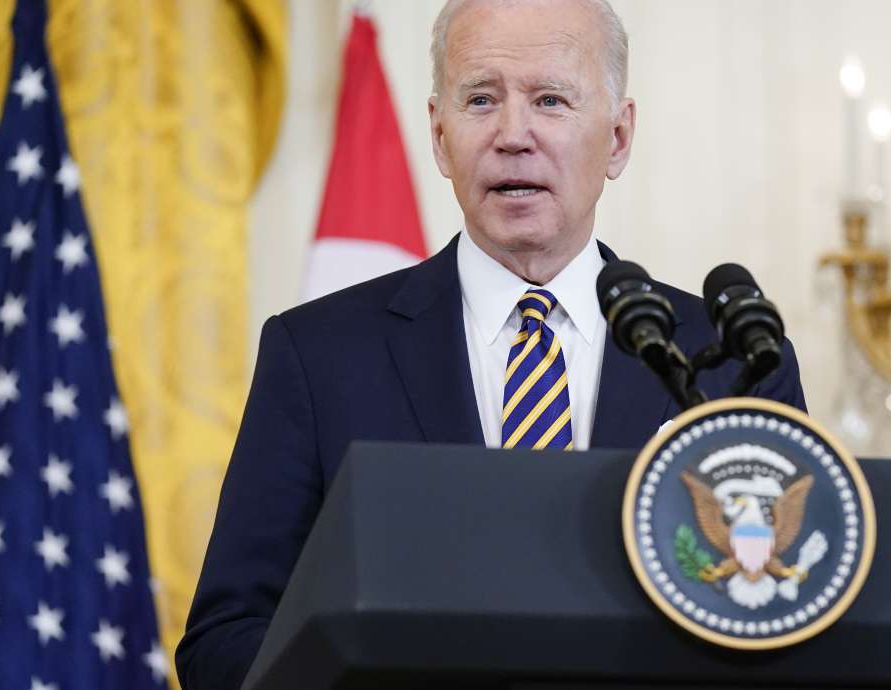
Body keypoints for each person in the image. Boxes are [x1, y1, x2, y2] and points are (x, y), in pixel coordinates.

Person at [175, 1, 805, 688]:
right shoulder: (319, 355)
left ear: (618, 137)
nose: (514, 134)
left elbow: (787, 616)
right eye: (481, 99)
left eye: (551, 99)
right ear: (441, 137)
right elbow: (225, 642)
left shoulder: (731, 361)